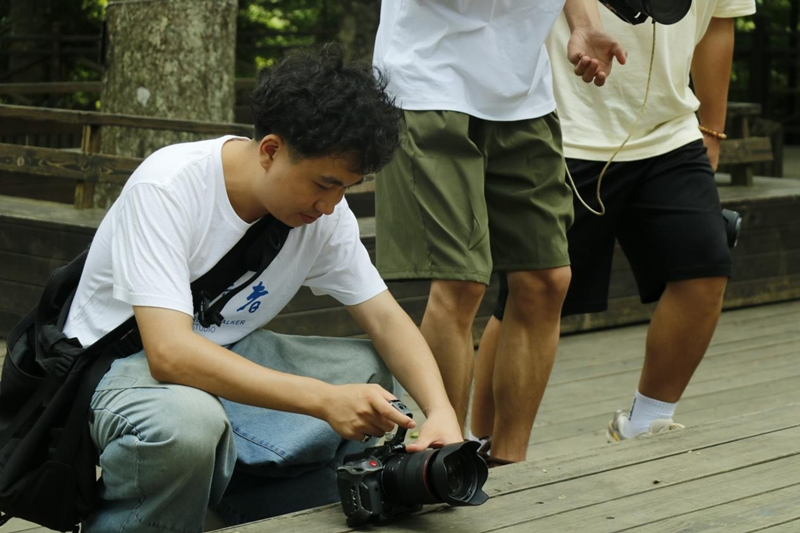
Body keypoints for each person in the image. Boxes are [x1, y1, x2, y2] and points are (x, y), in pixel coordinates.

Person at [63, 44, 463, 532]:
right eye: (324, 184)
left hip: (220, 354)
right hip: (117, 368)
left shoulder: (323, 214)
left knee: (367, 372)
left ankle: (237, 504)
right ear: (271, 151)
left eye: (346, 189)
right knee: (188, 426)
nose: (332, 206)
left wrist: (440, 411)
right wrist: (321, 399)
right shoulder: (168, 187)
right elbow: (168, 353)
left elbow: (384, 317)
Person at [471, 0, 756, 451]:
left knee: (705, 267)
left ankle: (647, 419)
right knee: (529, 294)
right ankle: (480, 441)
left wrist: (713, 129)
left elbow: (720, 25)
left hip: (670, 131)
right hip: (565, 127)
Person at [372, 0, 626, 465]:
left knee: (547, 280)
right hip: (428, 79)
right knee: (461, 281)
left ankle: (509, 462)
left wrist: (585, 24)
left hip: (522, 90)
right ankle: (439, 460)